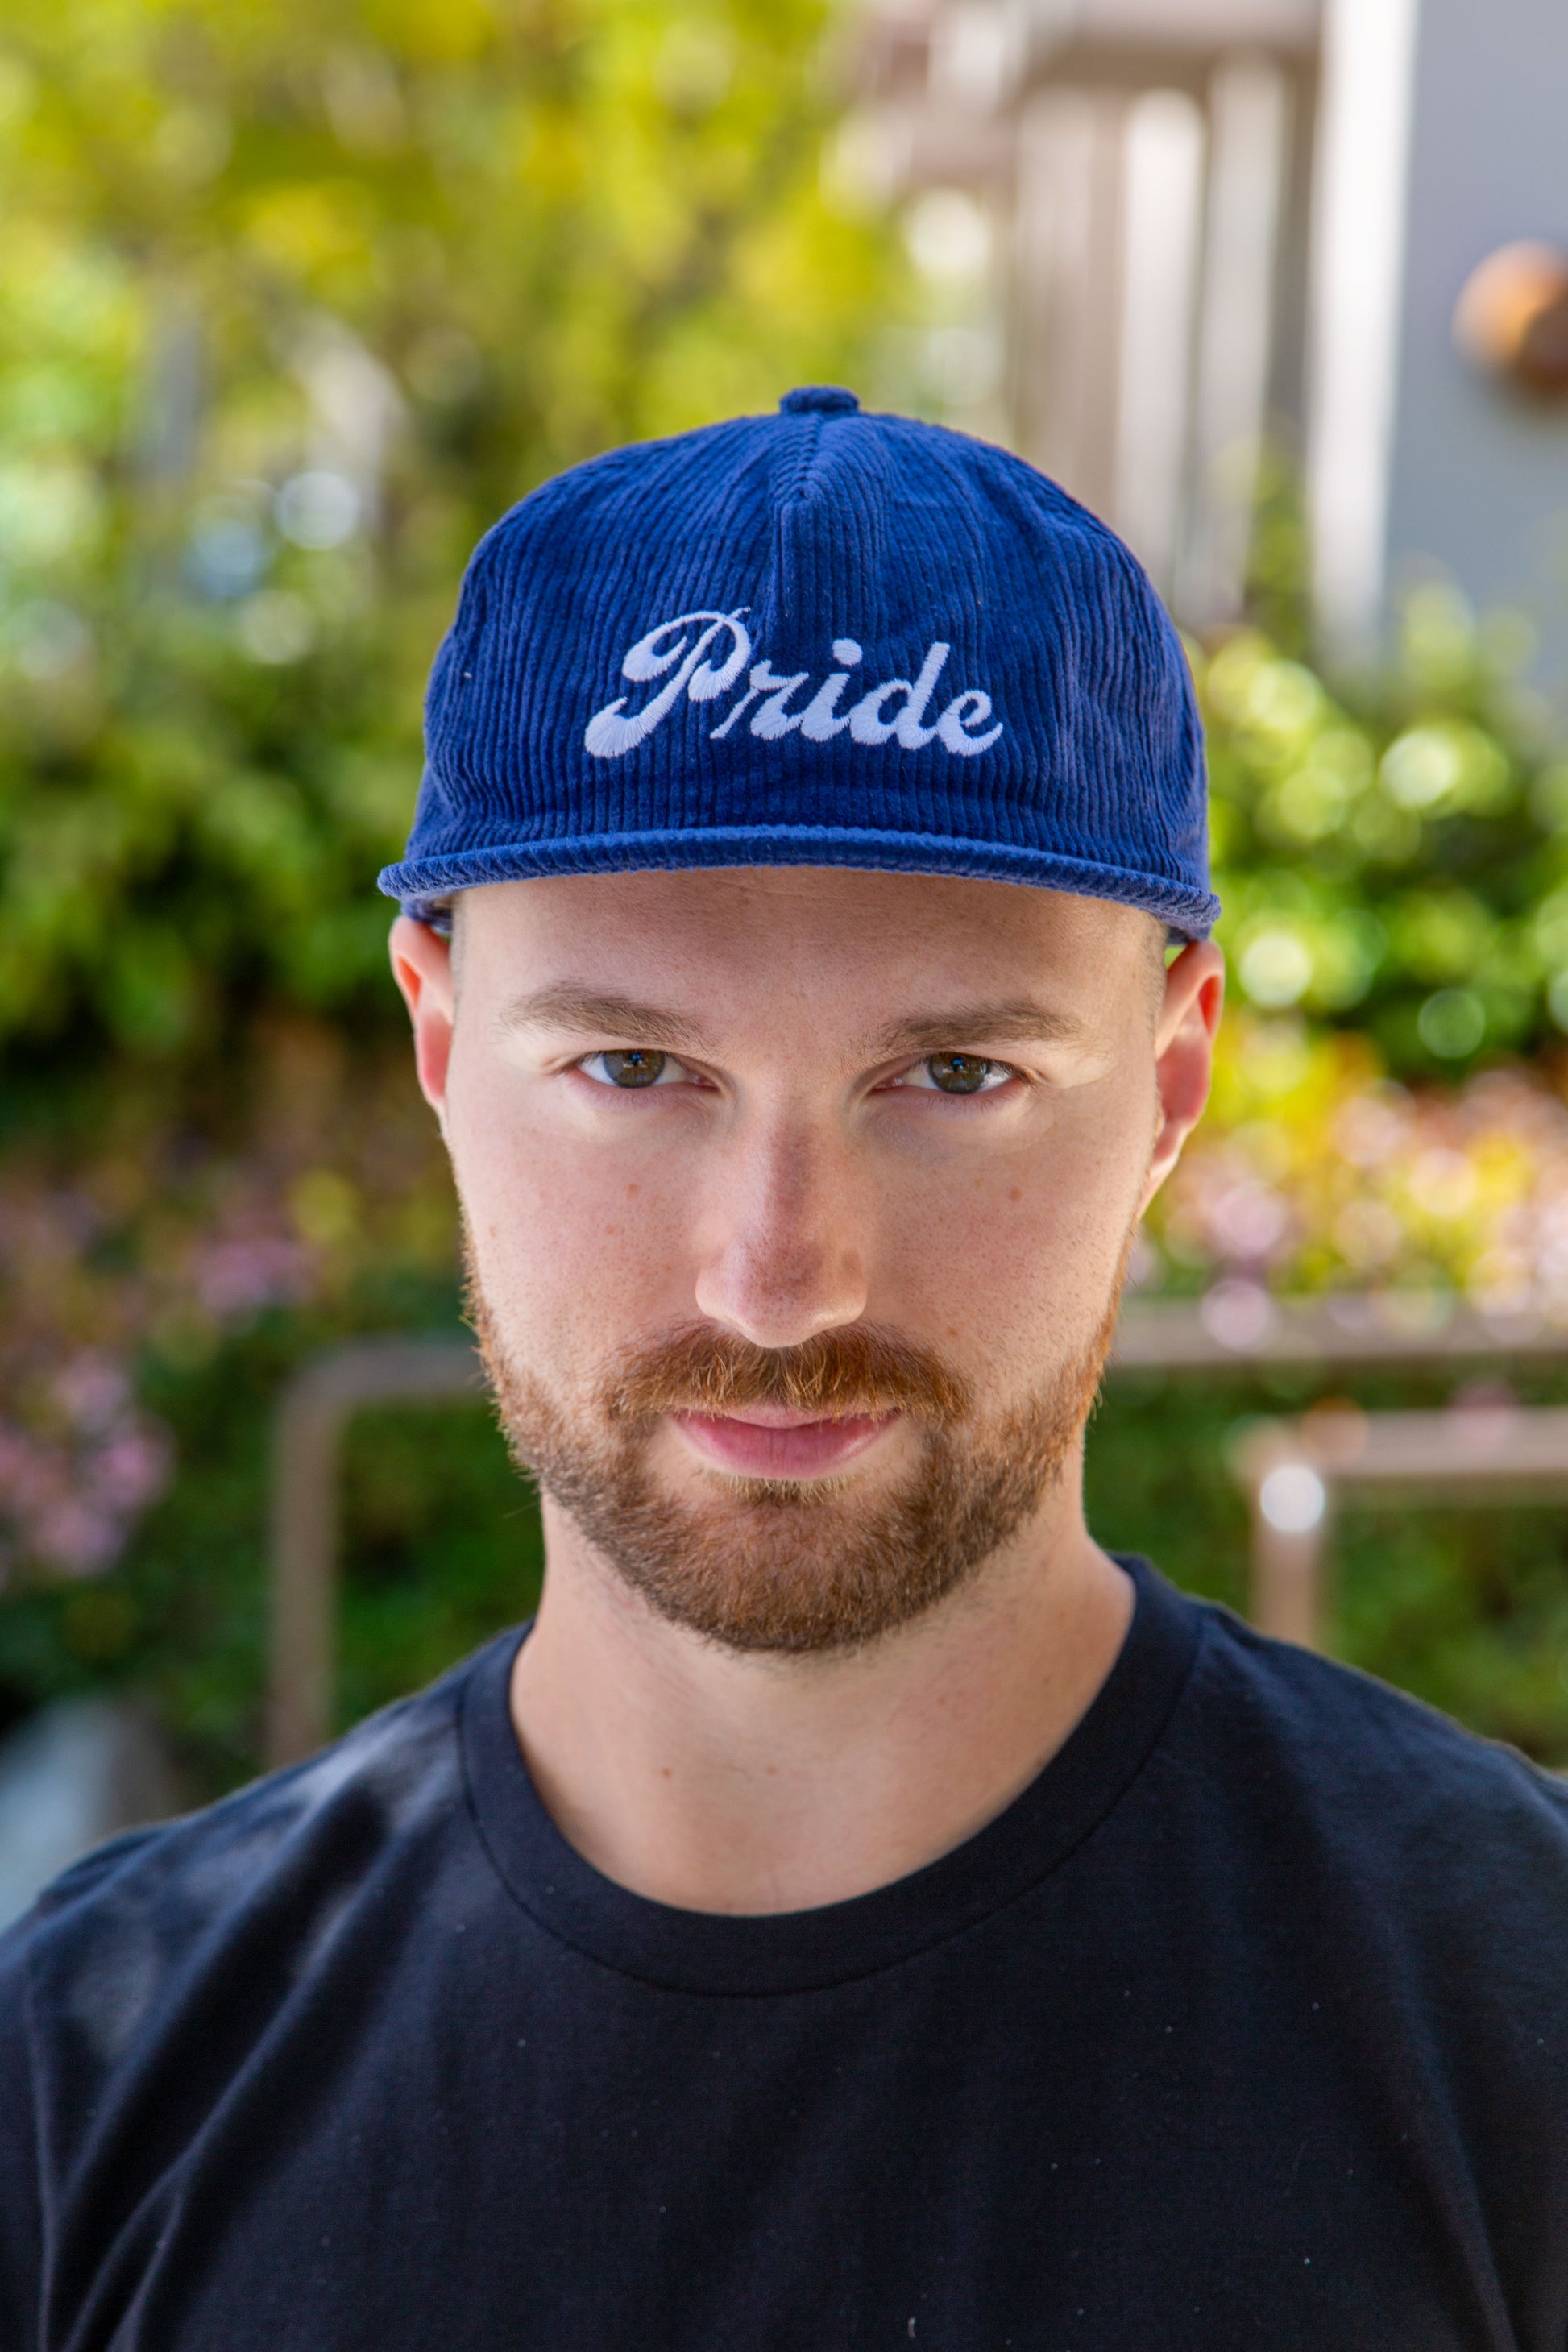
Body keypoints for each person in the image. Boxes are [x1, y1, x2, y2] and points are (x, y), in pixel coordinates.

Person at [3, 386, 1566, 2351]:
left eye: (954, 1074)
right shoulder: (87, 2079)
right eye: (635, 1070)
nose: (772, 1277)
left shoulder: (1516, 2021)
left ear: (1169, 1080)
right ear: (439, 1040)